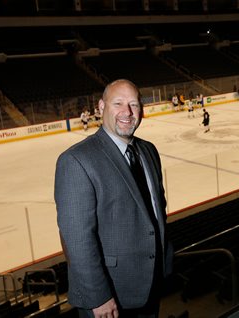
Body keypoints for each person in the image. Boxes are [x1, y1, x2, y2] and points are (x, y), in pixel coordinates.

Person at [55, 79, 172, 318]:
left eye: (134, 104)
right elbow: (77, 239)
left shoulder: (148, 150)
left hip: (151, 284)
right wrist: (98, 296)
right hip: (109, 298)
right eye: (118, 103)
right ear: (101, 107)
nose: (127, 112)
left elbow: (156, 210)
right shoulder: (76, 160)